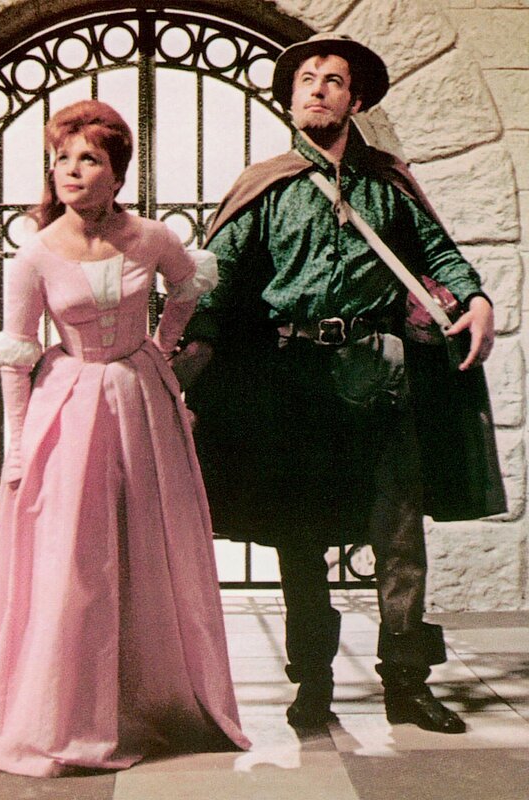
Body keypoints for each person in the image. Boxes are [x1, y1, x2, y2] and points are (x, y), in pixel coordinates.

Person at [174, 34, 506, 734]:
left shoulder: (387, 184)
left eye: (333, 80)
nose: (318, 89)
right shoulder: (265, 186)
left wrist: (476, 298)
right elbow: (219, 280)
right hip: (292, 382)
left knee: (398, 532)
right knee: (299, 537)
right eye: (306, 79)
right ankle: (313, 682)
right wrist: (183, 350)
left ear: (355, 100)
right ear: (292, 99)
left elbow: (441, 254)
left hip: (379, 375)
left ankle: (407, 683)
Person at [0, 99, 250, 777]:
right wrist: (18, 448)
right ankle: (71, 714)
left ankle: (152, 702)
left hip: (142, 400)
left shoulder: (150, 238)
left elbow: (188, 285)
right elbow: (17, 356)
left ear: (117, 173)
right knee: (76, 558)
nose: (70, 170)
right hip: (68, 408)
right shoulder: (34, 254)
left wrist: (164, 346)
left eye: (88, 158)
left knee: (149, 545)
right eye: (61, 158)